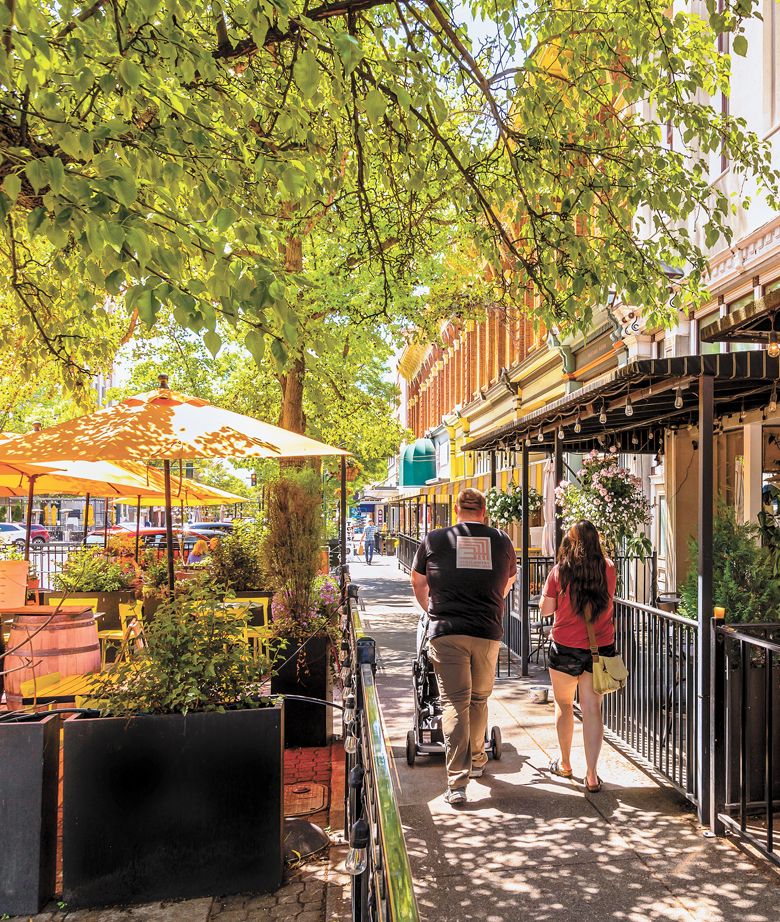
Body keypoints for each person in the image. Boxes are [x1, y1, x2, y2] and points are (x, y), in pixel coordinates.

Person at [411, 488, 516, 805]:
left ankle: (457, 784)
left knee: (455, 702)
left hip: (447, 630)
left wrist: (429, 610)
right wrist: (492, 606)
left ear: (456, 510)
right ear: (483, 511)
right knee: (480, 699)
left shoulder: (434, 540)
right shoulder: (501, 540)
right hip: (486, 631)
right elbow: (508, 583)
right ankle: (478, 761)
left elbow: (418, 582)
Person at [540, 520, 617, 793]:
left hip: (565, 647)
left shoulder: (560, 571)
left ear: (570, 542)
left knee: (563, 705)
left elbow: (546, 610)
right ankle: (593, 775)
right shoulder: (608, 568)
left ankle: (565, 763)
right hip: (599, 648)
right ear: (596, 540)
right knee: (592, 709)